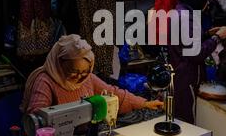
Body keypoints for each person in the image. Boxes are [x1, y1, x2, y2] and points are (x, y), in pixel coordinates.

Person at [21, 34, 163, 115]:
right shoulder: (45, 81)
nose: (80, 77)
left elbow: (114, 94)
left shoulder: (86, 78)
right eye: (74, 72)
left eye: (85, 72)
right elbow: (35, 117)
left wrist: (145, 103)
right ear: (60, 63)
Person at [169, 0, 226, 124]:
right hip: (187, 78)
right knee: (188, 122)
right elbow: (195, 53)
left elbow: (185, 43)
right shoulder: (186, 18)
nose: (208, 3)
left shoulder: (180, 12)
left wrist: (207, 34)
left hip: (180, 76)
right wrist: (217, 37)